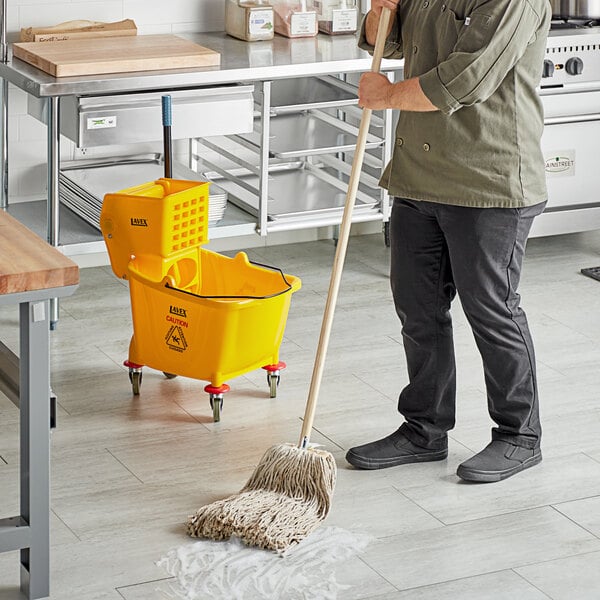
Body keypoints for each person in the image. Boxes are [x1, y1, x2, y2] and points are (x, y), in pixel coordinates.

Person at [345, 0, 551, 482]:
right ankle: (424, 429)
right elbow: (388, 40)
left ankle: (519, 436)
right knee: (417, 309)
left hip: (488, 181)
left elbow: (466, 79)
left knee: (491, 311)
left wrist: (388, 95)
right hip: (418, 176)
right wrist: (381, 12)